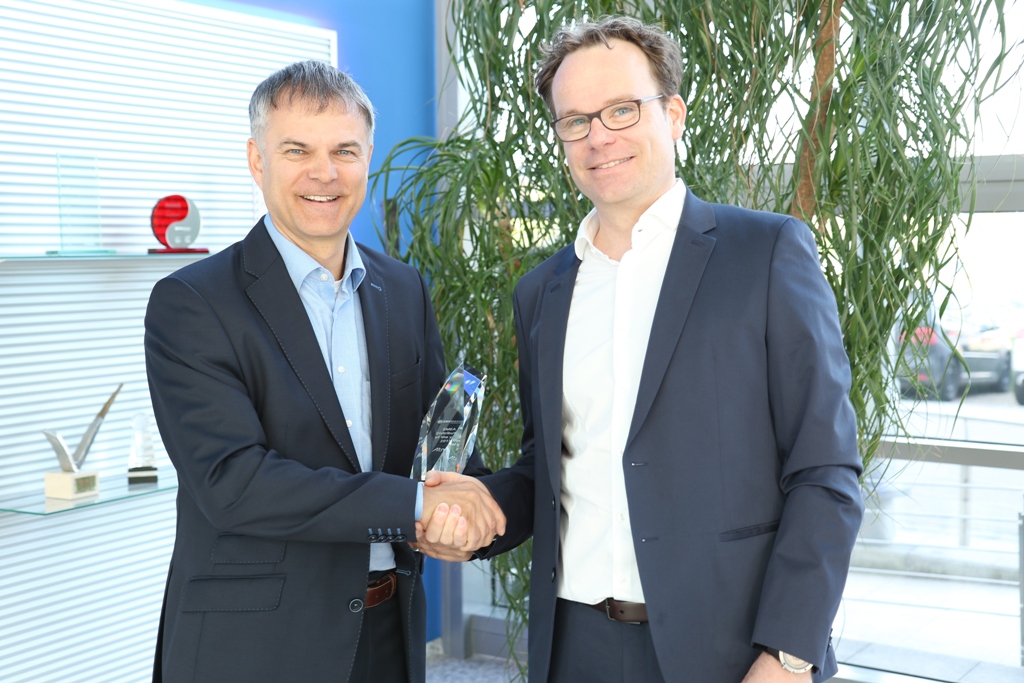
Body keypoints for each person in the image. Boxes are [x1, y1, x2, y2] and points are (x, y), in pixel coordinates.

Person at [419, 16, 864, 683]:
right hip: (574, 649)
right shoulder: (541, 291)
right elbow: (549, 469)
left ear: (673, 114)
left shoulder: (767, 253)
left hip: (734, 651)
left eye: (621, 109)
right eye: (576, 120)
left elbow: (824, 471)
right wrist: (477, 510)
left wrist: (788, 655)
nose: (598, 136)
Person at [144, 60, 503, 683]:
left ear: (367, 159)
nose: (324, 173)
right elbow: (235, 483)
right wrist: (420, 503)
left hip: (388, 630)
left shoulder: (403, 289)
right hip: (256, 647)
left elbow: (436, 451)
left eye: (344, 150)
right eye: (297, 150)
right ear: (257, 160)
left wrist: (473, 507)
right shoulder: (193, 302)